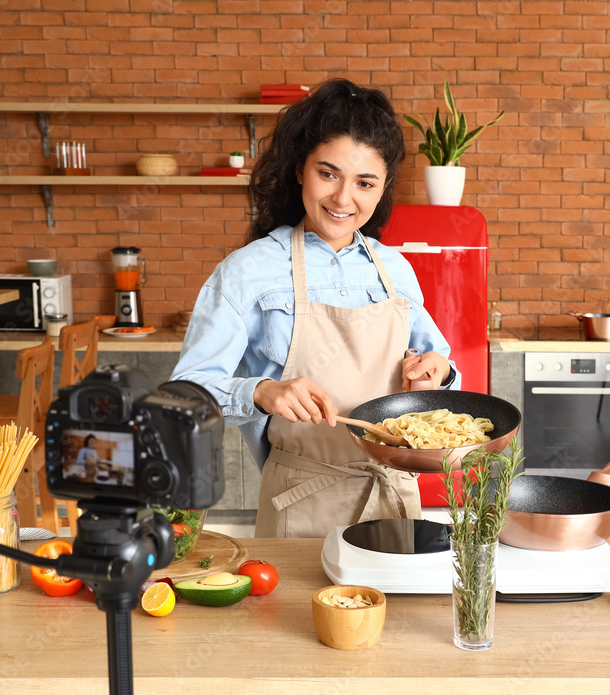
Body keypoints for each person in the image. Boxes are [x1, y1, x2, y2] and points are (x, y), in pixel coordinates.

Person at [171, 78, 459, 538]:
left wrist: (437, 371)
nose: (344, 199)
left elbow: (441, 371)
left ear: (382, 189)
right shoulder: (247, 271)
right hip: (300, 503)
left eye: (365, 183)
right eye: (328, 174)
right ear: (300, 170)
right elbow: (183, 394)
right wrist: (261, 391)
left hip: (393, 500)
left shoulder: (396, 270)